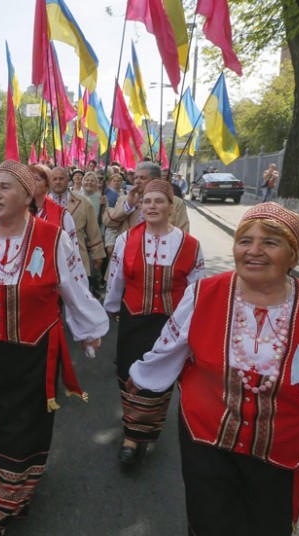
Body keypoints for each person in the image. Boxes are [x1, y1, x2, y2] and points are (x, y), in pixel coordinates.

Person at [127, 202, 299, 535]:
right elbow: (170, 345)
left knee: (268, 525)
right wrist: (143, 377)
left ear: (293, 256)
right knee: (209, 522)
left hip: (283, 452)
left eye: (270, 242)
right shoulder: (204, 294)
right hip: (206, 438)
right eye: (245, 240)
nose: (254, 251)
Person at [0, 161, 108, 536]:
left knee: (24, 429)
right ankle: (16, 481)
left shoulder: (52, 237)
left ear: (28, 195)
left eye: (5, 188)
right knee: (0, 420)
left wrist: (88, 329)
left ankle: (1, 510)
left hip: (35, 352)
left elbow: (74, 288)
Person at [104, 180, 205, 465]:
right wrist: (111, 307)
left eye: (158, 201)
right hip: (134, 319)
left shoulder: (190, 244)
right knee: (130, 374)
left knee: (160, 377)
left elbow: (197, 289)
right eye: (147, 201)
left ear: (171, 208)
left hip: (171, 324)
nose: (151, 206)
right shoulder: (127, 240)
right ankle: (131, 434)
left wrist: (194, 325)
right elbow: (116, 278)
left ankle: (146, 432)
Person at [48, 167, 105, 288]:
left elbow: (93, 230)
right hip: (48, 259)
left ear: (68, 179)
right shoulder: (40, 202)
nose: (58, 181)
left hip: (77, 256)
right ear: (49, 180)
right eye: (54, 179)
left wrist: (98, 254)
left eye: (61, 178)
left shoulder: (83, 202)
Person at [103, 161, 190, 236]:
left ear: (156, 180)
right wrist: (128, 206)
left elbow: (183, 234)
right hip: (131, 252)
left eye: (142, 178)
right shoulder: (124, 200)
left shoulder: (175, 202)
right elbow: (108, 223)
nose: (137, 181)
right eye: (136, 177)